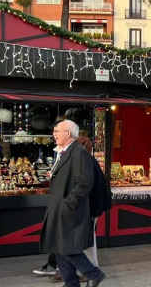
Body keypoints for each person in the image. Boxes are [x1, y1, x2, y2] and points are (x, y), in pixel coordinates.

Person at [39, 120, 105, 287]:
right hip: (60, 207)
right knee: (59, 246)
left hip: (69, 209)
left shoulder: (79, 152)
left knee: (68, 248)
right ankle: (71, 283)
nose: (54, 134)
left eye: (57, 131)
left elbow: (85, 182)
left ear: (67, 133)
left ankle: (94, 273)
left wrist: (69, 203)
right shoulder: (65, 151)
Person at [77, 136, 110, 268]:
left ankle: (92, 268)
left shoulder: (86, 162)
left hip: (89, 207)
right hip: (91, 206)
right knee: (87, 238)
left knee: (88, 239)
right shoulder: (90, 161)